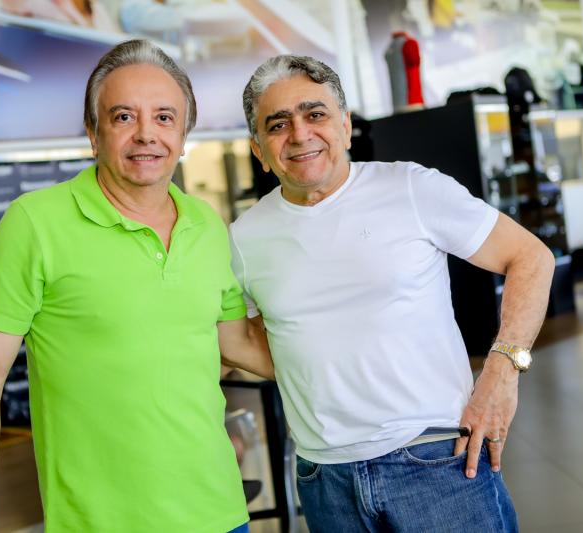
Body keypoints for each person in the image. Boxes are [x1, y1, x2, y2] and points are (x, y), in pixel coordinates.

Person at [0, 39, 272, 533]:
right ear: (93, 133)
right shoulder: (35, 224)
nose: (146, 134)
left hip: (221, 514)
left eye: (164, 117)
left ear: (184, 134)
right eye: (124, 117)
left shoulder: (207, 225)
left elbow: (238, 344)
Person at [230, 55, 555, 532]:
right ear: (258, 149)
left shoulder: (411, 188)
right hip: (325, 479)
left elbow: (531, 257)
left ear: (344, 126)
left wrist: (502, 373)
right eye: (277, 125)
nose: (299, 134)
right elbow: (250, 340)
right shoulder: (243, 239)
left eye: (315, 114)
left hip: (438, 458)